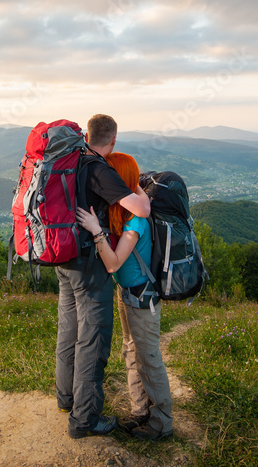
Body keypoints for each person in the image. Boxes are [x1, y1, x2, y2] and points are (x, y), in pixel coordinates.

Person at [56, 114, 151, 439]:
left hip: (63, 258)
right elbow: (141, 210)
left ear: (85, 135)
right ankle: (85, 420)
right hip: (89, 265)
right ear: (112, 141)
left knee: (68, 330)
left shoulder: (72, 160)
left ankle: (66, 397)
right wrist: (139, 189)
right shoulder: (99, 169)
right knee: (92, 340)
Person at [76, 152, 173, 441]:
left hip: (142, 299)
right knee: (131, 352)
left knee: (148, 358)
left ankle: (162, 423)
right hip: (128, 295)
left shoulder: (136, 222)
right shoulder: (129, 210)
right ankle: (140, 411)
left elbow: (113, 263)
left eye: (112, 177)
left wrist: (96, 232)